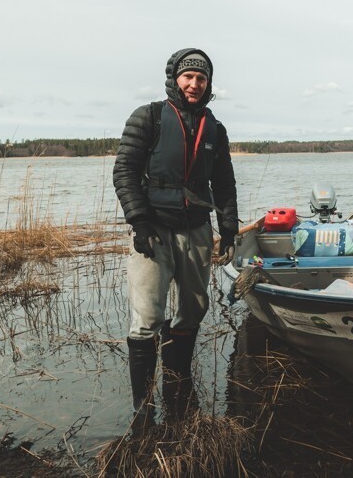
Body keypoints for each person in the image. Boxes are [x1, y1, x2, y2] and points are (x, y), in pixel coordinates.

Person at [112, 48, 239, 429]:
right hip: (154, 231)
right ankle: (143, 409)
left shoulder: (215, 129)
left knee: (193, 310)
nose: (194, 84)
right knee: (147, 318)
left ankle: (179, 391)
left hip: (197, 228)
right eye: (188, 77)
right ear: (175, 78)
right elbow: (125, 172)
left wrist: (229, 228)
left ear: (208, 83)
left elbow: (225, 182)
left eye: (201, 78)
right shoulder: (147, 117)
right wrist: (139, 222)